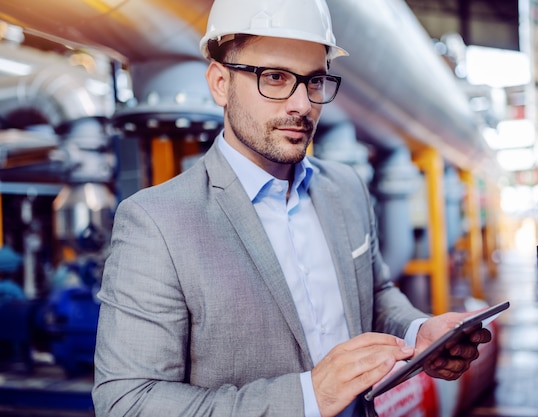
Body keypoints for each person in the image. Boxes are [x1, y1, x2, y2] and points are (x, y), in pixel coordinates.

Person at [92, 0, 492, 416]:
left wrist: (418, 331)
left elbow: (374, 296)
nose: (302, 105)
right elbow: (127, 403)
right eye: (275, 77)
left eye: (314, 81)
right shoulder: (157, 222)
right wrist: (307, 397)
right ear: (219, 83)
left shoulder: (345, 189)